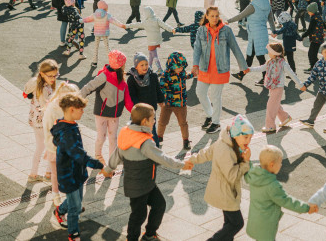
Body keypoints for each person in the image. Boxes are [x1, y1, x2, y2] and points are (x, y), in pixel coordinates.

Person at [102, 103, 191, 241]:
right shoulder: (145, 142)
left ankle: (149, 234)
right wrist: (182, 164)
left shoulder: (127, 132)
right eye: (152, 119)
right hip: (140, 186)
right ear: (144, 121)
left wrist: (108, 168)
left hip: (144, 183)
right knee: (139, 215)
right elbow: (163, 158)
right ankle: (134, 238)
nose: (154, 121)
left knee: (159, 205)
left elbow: (117, 153)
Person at [185, 115, 254, 240]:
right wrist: (245, 162)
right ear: (235, 134)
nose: (248, 140)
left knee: (228, 225)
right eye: (245, 137)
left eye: (250, 137)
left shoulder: (224, 142)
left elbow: (207, 153)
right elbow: (233, 176)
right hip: (226, 193)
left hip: (224, 191)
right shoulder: (226, 150)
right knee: (237, 223)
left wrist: (192, 159)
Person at [50, 94, 105, 241]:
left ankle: (60, 211)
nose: (83, 112)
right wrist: (99, 165)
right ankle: (73, 233)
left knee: (77, 200)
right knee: (75, 207)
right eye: (81, 109)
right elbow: (79, 154)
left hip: (76, 171)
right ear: (72, 110)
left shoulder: (69, 125)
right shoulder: (67, 132)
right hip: (69, 174)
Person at [192, 7, 250, 134]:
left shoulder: (226, 30)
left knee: (215, 97)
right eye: (212, 16)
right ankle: (210, 114)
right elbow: (197, 49)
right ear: (206, 16)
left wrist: (243, 66)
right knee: (200, 92)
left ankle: (216, 123)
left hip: (220, 70)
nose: (214, 18)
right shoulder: (201, 30)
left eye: (216, 16)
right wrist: (195, 65)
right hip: (204, 68)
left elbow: (235, 47)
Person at [244, 145, 315, 241]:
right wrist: (307, 208)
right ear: (272, 165)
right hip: (266, 226)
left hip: (254, 221)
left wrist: (247, 160)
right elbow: (287, 201)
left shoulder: (253, 175)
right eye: (280, 163)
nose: (281, 165)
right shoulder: (272, 185)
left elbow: (248, 169)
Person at [78, 50, 127, 161]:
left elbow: (126, 97)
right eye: (124, 63)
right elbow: (89, 87)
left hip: (115, 115)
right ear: (119, 65)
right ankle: (98, 156)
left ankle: (112, 162)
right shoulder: (104, 76)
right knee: (101, 138)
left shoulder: (122, 79)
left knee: (113, 138)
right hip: (101, 112)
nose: (125, 66)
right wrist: (77, 99)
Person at [246, 43, 301, 133]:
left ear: (274, 53)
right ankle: (285, 118)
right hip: (272, 86)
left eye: (269, 52)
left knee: (270, 106)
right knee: (275, 105)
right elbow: (261, 68)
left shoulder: (283, 63)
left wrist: (300, 85)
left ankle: (270, 126)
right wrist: (250, 69)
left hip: (278, 87)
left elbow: (292, 74)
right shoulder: (270, 61)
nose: (268, 53)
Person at [227, 0, 274, 84]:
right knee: (251, 55)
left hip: (254, 33)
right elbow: (271, 19)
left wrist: (228, 21)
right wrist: (273, 31)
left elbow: (241, 15)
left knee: (260, 57)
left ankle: (266, 78)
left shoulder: (253, 5)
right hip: (263, 32)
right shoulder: (267, 4)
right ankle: (241, 74)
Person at [23, 59, 59, 183]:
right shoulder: (44, 88)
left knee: (39, 147)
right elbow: (48, 107)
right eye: (50, 76)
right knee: (52, 147)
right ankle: (49, 175)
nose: (53, 78)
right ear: (42, 74)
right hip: (45, 123)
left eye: (55, 75)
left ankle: (33, 174)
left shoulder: (37, 83)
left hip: (35, 122)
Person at [158, 52, 194, 150]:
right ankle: (159, 137)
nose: (181, 69)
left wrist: (192, 74)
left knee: (183, 123)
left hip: (181, 104)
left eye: (182, 67)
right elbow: (162, 88)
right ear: (172, 66)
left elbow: (186, 76)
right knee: (162, 121)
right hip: (168, 104)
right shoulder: (165, 75)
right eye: (178, 67)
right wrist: (161, 100)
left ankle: (186, 140)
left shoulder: (182, 72)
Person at [123, 7, 174, 74]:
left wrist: (126, 26)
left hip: (151, 41)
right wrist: (172, 29)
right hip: (157, 40)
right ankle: (149, 67)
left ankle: (160, 69)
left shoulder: (145, 22)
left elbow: (136, 24)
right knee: (151, 54)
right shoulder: (157, 20)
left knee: (154, 55)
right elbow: (164, 25)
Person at [82, 1, 123, 67]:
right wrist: (121, 25)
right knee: (107, 48)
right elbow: (114, 21)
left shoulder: (95, 14)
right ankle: (111, 62)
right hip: (105, 33)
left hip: (97, 34)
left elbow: (88, 19)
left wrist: (81, 20)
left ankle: (94, 62)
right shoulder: (107, 15)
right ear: (105, 8)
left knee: (96, 48)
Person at [300, 2, 326, 69]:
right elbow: (325, 26)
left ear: (312, 11)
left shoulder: (314, 19)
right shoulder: (319, 16)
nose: (308, 13)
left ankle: (314, 67)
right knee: (314, 53)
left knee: (311, 54)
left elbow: (310, 30)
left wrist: (303, 35)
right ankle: (317, 66)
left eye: (309, 11)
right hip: (319, 38)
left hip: (315, 39)